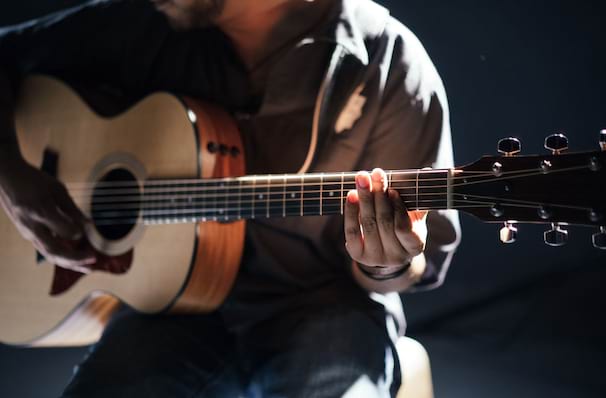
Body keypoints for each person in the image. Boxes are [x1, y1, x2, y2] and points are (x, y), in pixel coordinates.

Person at [0, 0, 460, 396]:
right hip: (169, 313)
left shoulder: (390, 63)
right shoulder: (145, 23)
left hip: (324, 308)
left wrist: (386, 259)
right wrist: (13, 176)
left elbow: (412, 264)